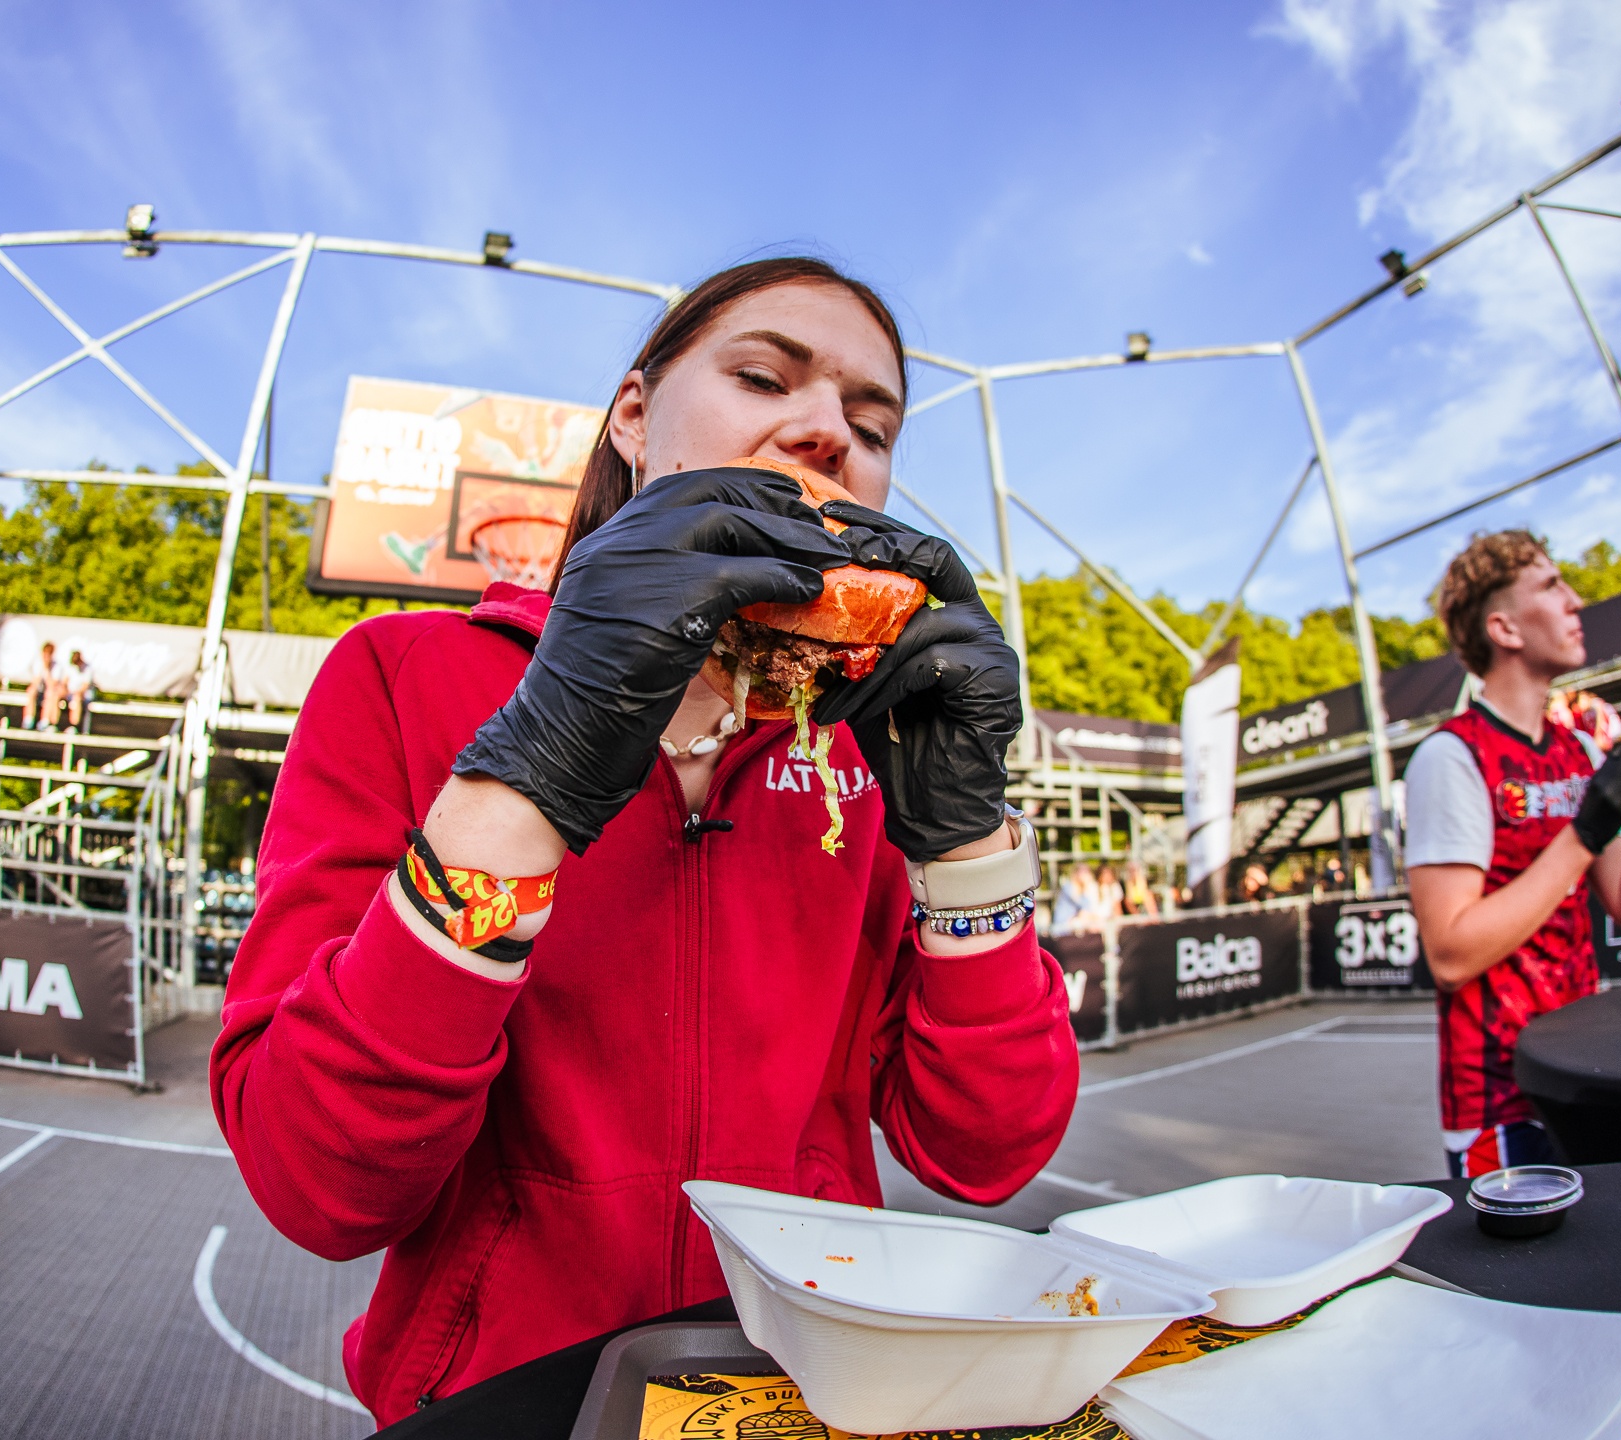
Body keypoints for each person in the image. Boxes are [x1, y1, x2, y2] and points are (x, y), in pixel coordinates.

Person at [211, 258, 1075, 1425]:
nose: (828, 432)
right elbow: (318, 1181)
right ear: (632, 415)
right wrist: (533, 764)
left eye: (873, 428)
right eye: (763, 377)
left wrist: (967, 841)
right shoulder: (399, 673)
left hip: (810, 1395)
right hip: (508, 1403)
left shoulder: (870, 755)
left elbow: (987, 1150)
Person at [1404, 531, 1621, 1178]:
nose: (1575, 600)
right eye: (1551, 585)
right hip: (1500, 1099)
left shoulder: (1578, 751)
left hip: (1584, 1065)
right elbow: (1451, 955)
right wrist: (1583, 835)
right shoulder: (1452, 756)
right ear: (1504, 629)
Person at [1051, 863, 1101, 937]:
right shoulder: (1068, 887)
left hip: (1073, 924)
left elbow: (1089, 908)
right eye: (1084, 873)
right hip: (1062, 926)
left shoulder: (1083, 891)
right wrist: (1087, 886)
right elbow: (1082, 904)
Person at [21, 641, 62, 731]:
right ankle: (28, 719)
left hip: (49, 692)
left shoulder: (56, 666)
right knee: (31, 691)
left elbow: (52, 685)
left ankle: (44, 721)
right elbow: (35, 682)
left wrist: (46, 670)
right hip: (39, 691)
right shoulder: (37, 663)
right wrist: (41, 670)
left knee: (50, 693)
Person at [58, 647, 94, 732]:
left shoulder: (87, 669)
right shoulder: (71, 667)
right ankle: (51, 723)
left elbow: (85, 687)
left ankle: (74, 725)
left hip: (83, 695)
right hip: (70, 693)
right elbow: (64, 682)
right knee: (54, 695)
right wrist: (64, 691)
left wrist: (76, 694)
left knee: (76, 698)